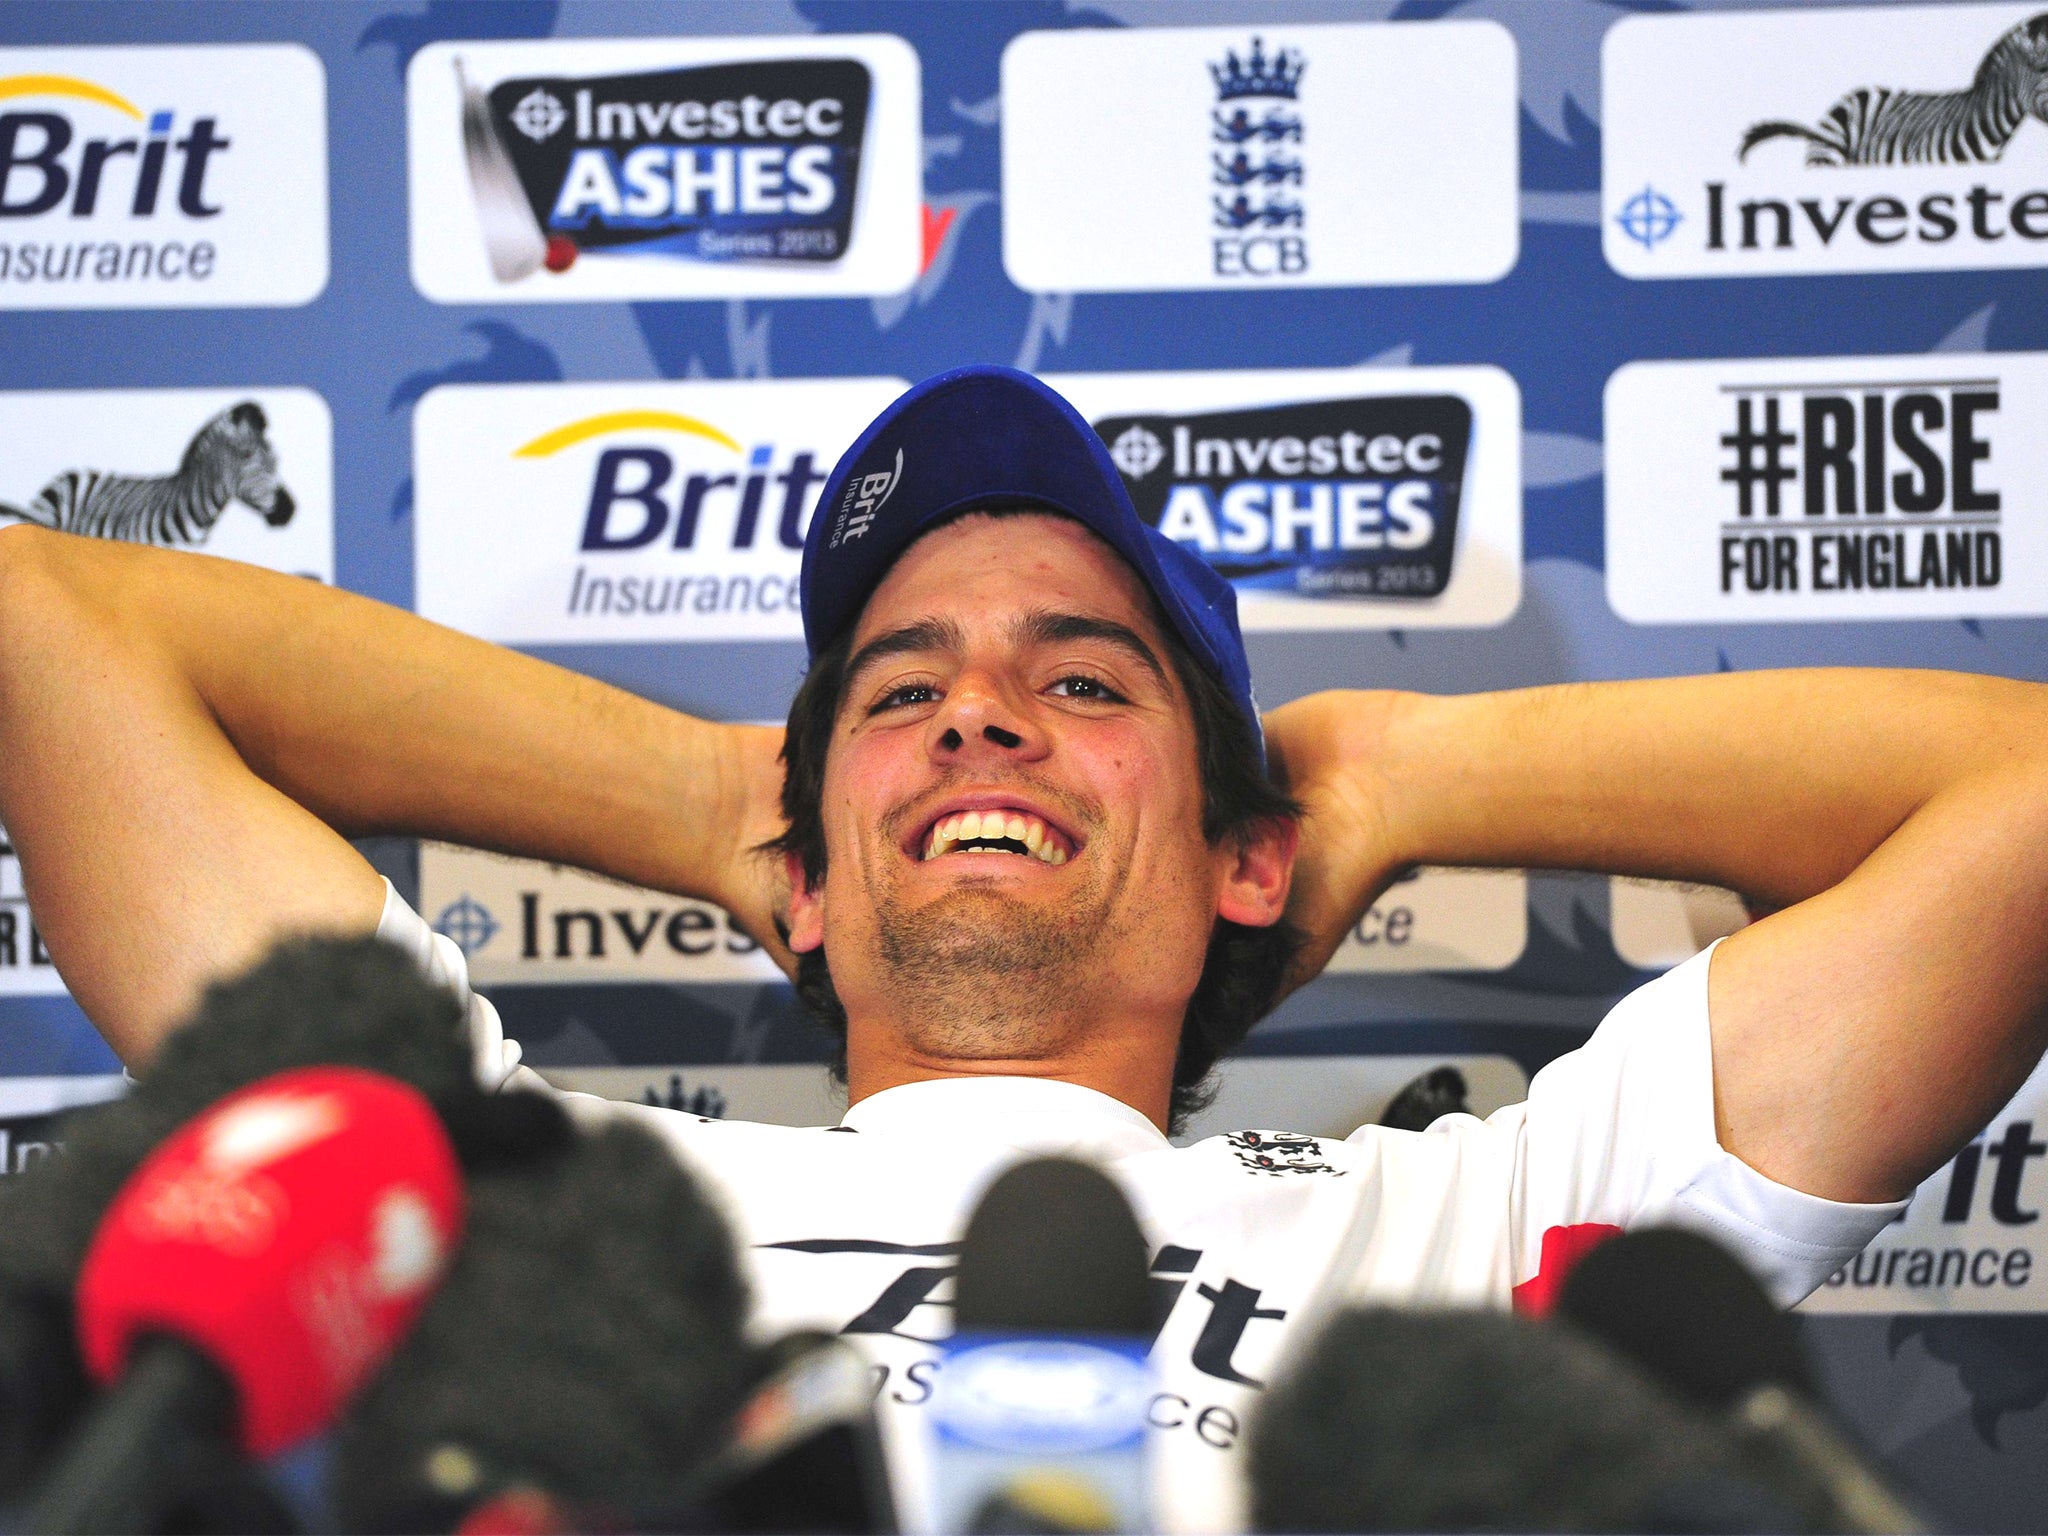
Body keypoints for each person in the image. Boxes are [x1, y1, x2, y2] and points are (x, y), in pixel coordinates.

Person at [2, 365, 2045, 1528]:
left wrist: (1401, 770)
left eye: (1081, 683)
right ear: (800, 879)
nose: (979, 715)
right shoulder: (530, 1194)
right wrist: (713, 801)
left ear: (1249, 857)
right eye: (903, 691)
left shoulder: (1485, 1213)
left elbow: (2019, 799)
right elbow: (59, 629)